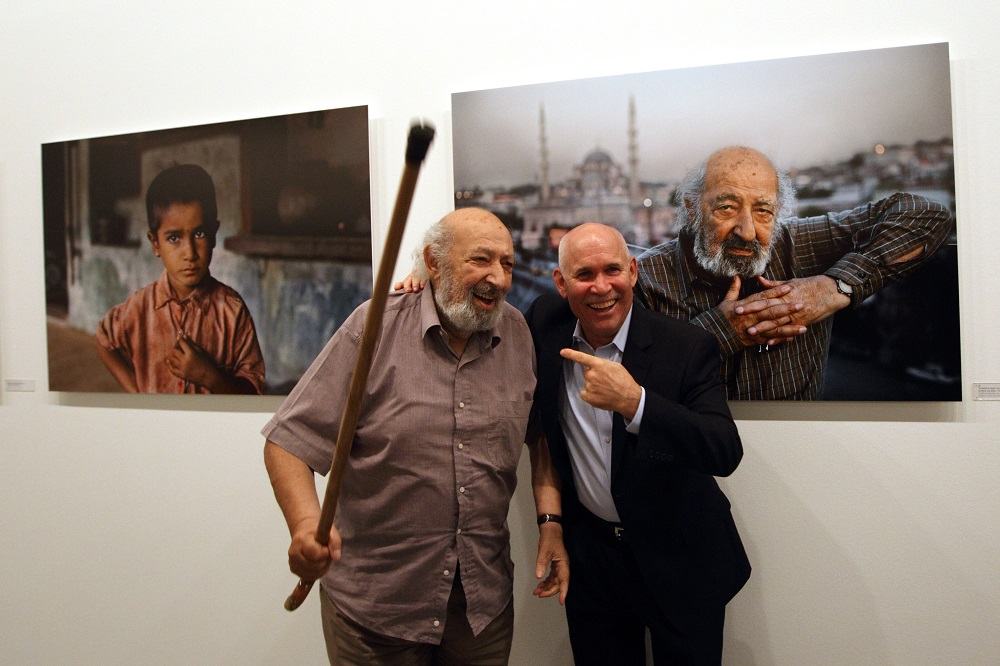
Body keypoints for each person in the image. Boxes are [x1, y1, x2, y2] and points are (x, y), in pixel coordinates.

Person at [262, 207, 568, 665]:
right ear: (434, 262)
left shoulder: (518, 336)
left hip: (480, 607)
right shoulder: (374, 328)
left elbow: (538, 436)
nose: (499, 279)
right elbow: (289, 442)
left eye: (506, 263)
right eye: (480, 260)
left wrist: (550, 523)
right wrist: (306, 526)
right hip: (377, 608)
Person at [524, 222, 749, 664]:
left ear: (633, 271)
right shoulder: (544, 325)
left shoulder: (685, 345)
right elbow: (477, 307)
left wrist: (637, 404)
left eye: (613, 270)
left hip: (681, 558)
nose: (601, 287)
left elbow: (724, 450)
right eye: (584, 275)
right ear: (561, 283)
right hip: (594, 561)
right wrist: (419, 282)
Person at [636, 145, 954, 399]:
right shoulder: (648, 278)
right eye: (727, 208)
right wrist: (718, 334)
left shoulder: (798, 243)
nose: (747, 231)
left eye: (763, 210)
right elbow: (631, 388)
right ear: (692, 209)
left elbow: (927, 215)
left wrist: (835, 287)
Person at [94, 164, 264, 394]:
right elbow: (104, 340)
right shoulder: (139, 307)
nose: (190, 253)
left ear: (214, 234)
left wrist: (210, 376)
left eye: (199, 234)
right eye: (174, 238)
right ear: (155, 243)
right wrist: (136, 392)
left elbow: (253, 391)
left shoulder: (232, 312)